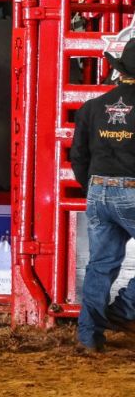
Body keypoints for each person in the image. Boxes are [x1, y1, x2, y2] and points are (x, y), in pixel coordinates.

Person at [70, 39, 135, 353]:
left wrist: (92, 188)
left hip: (98, 188)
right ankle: (123, 311)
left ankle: (88, 336)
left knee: (100, 265)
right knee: (101, 265)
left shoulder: (92, 108)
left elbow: (78, 157)